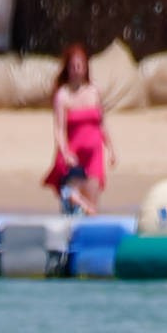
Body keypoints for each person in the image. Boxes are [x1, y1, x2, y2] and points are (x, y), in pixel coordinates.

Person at [45, 43, 110, 214]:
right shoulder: (62, 95)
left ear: (86, 67)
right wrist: (64, 151)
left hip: (94, 153)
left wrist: (111, 148)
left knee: (91, 207)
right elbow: (59, 129)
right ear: (67, 68)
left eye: (80, 65)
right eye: (73, 66)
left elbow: (102, 123)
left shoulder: (94, 91)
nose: (77, 69)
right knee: (73, 203)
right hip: (73, 154)